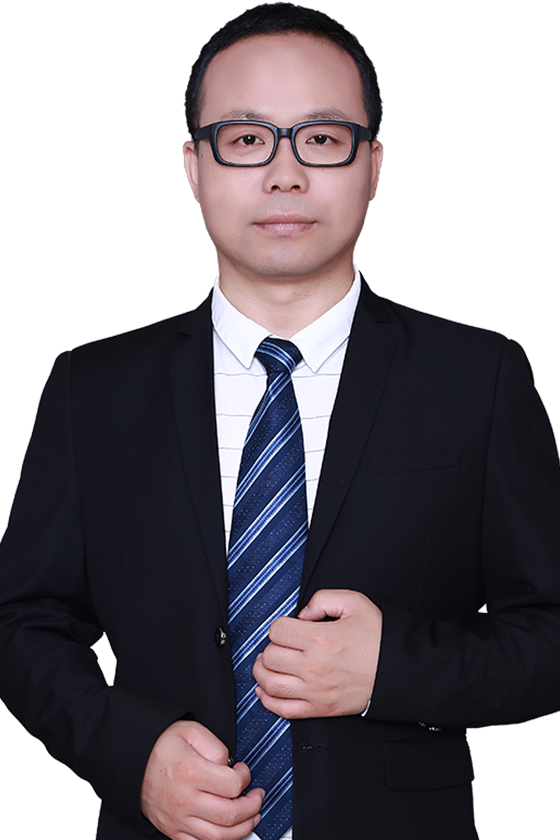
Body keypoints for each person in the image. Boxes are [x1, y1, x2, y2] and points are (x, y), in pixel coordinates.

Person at [0, 4, 560, 840]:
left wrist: (392, 669)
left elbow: (548, 630)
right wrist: (130, 753)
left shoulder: (478, 377)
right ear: (194, 166)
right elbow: (22, 623)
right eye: (246, 138)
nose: (285, 174)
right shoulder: (95, 389)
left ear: (374, 165)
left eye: (323, 138)